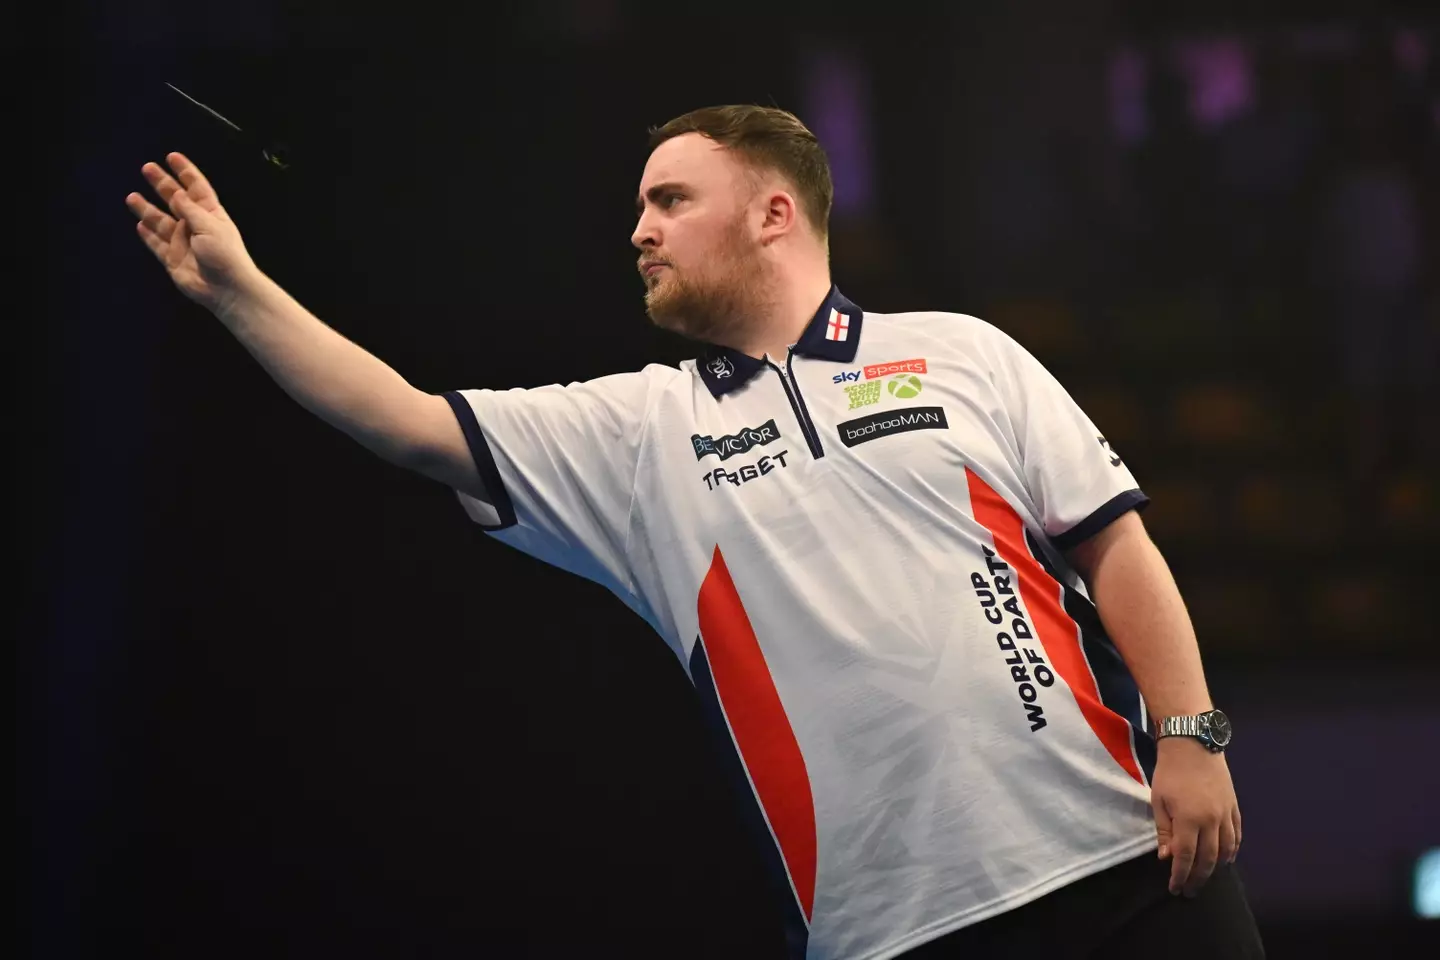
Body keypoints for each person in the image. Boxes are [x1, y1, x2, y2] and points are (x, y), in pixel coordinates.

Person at [126, 105, 1264, 959]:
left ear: (774, 212)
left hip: (1126, 863)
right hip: (892, 931)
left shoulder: (963, 350)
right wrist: (237, 292)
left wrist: (1194, 737)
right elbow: (412, 425)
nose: (638, 231)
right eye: (639, 208)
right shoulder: (640, 431)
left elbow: (1118, 549)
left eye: (669, 200)